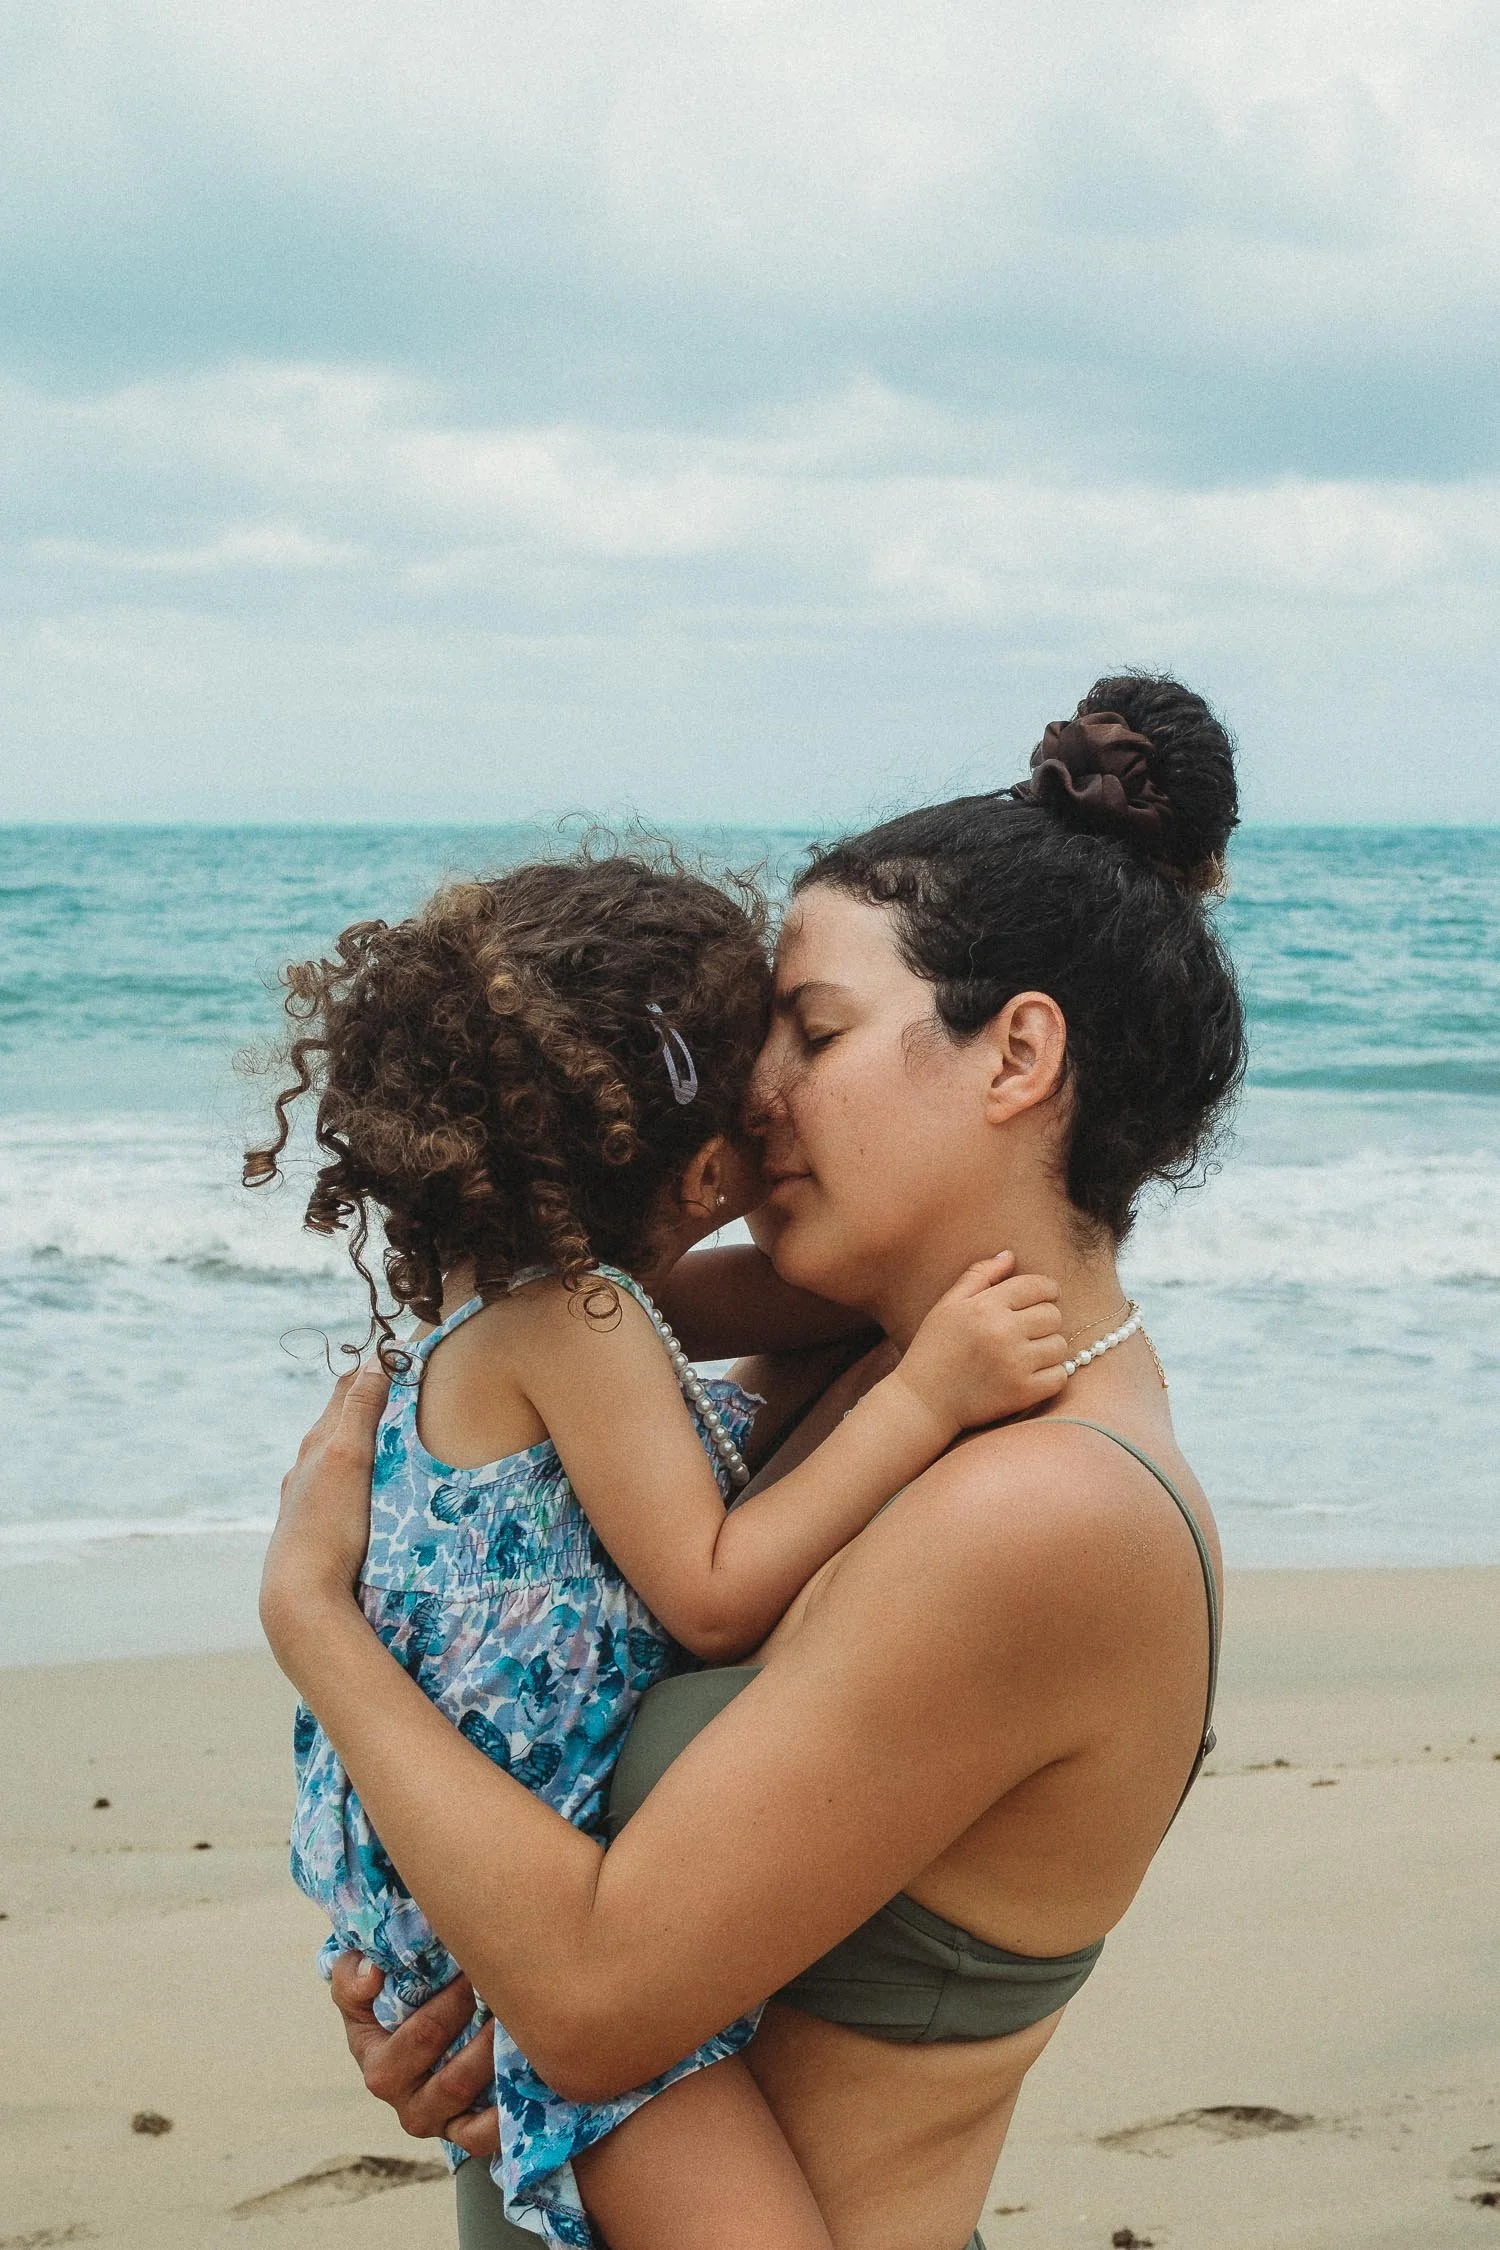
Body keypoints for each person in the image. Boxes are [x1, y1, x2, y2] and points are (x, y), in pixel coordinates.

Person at [260, 673, 1247, 2250]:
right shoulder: (849, 1365)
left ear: (1018, 1057)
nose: (752, 1089)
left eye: (814, 1031)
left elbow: (588, 2005)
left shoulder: (1052, 1511)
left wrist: (314, 1620)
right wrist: (436, 1984)